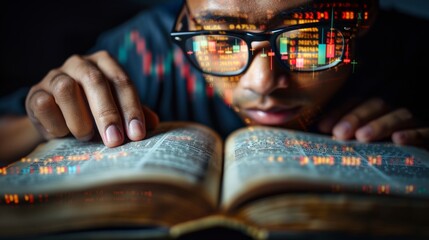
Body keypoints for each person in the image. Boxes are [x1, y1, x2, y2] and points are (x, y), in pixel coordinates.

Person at [1, 0, 428, 164]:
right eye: (220, 39)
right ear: (185, 20)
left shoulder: (414, 54)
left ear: (366, 16)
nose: (262, 83)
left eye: (309, 39)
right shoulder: (143, 53)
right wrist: (39, 126)